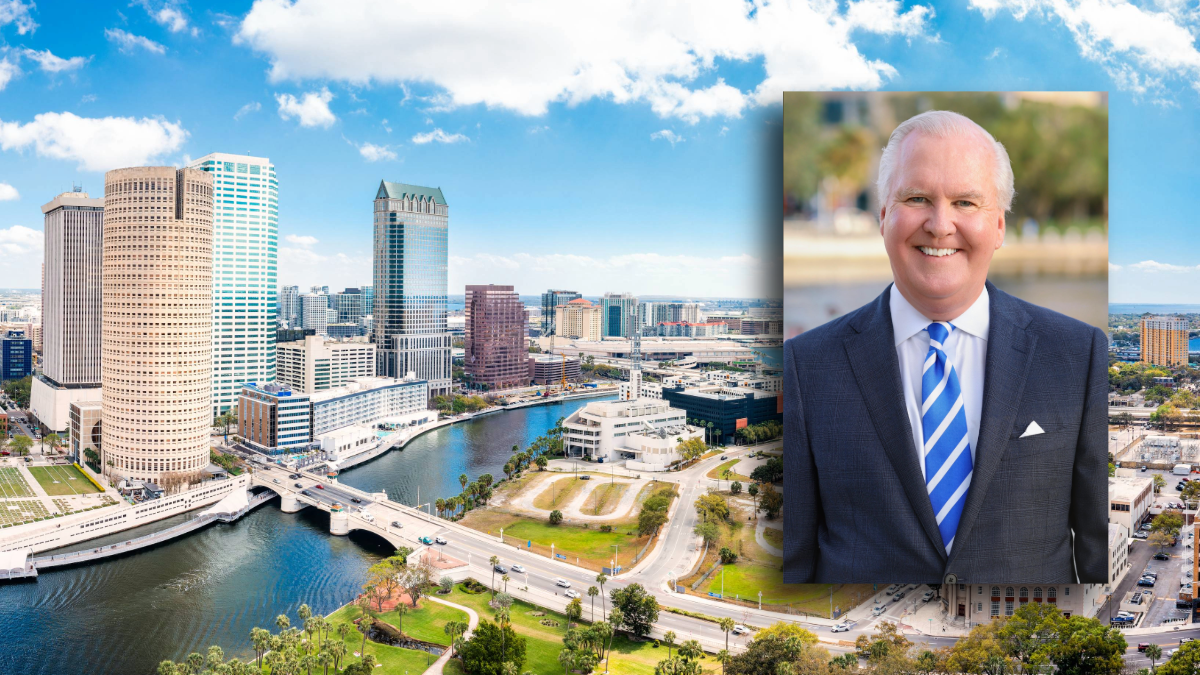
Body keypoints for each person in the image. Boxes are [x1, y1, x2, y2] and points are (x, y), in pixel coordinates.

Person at [783, 110, 1107, 584]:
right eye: (917, 198)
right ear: (884, 218)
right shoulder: (804, 366)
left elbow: (1098, 560)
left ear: (998, 225)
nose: (939, 224)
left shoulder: (1079, 357)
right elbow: (793, 560)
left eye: (965, 202)